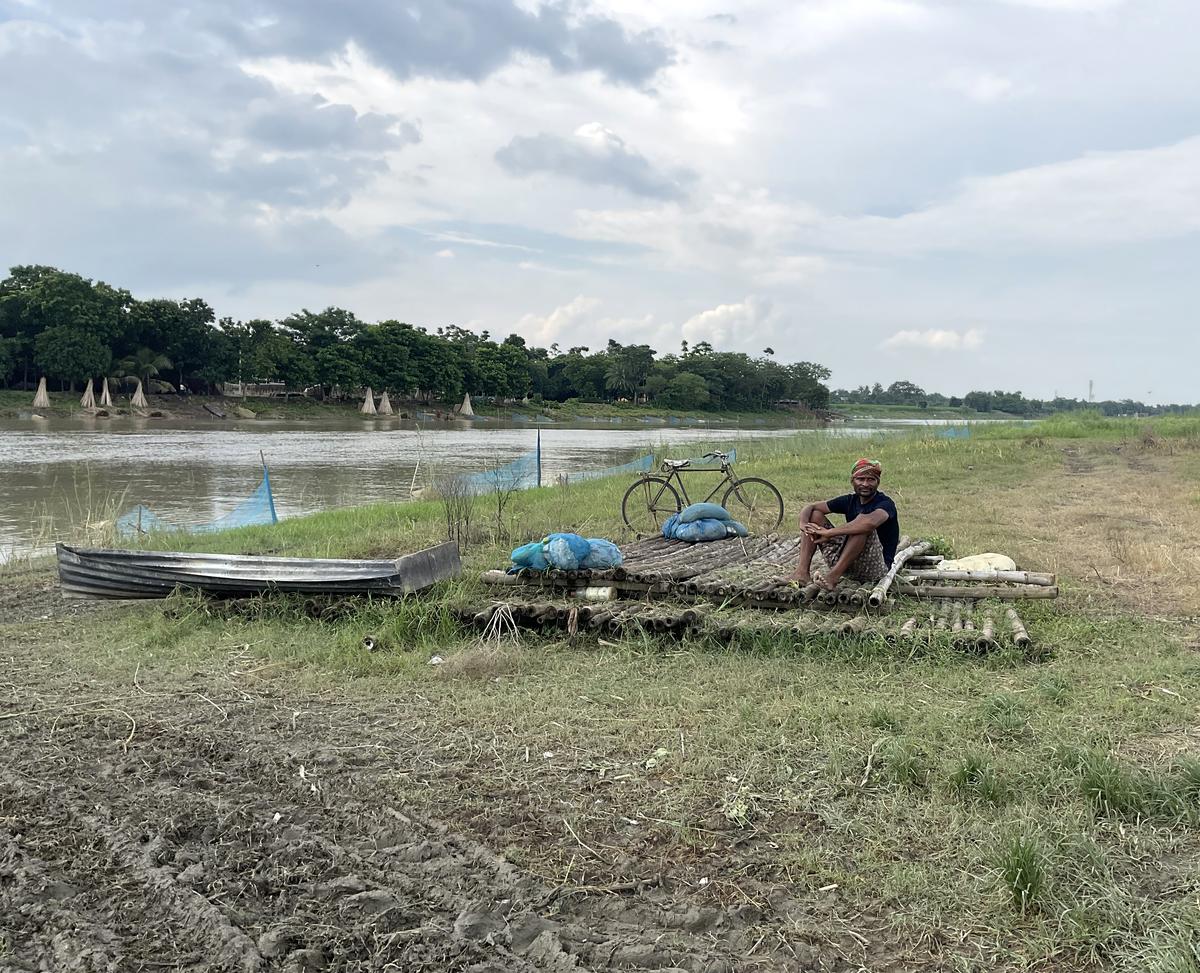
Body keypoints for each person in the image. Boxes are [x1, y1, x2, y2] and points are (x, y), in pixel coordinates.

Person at [787, 458, 899, 590]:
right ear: (853, 481)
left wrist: (829, 533)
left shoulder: (885, 504)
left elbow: (869, 523)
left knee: (861, 526)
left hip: (875, 569)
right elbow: (811, 507)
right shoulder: (850, 500)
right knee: (814, 515)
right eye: (860, 479)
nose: (865, 484)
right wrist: (803, 523)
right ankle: (802, 573)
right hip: (847, 563)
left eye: (871, 480)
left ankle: (832, 577)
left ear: (877, 482)